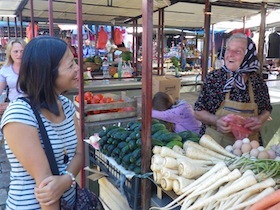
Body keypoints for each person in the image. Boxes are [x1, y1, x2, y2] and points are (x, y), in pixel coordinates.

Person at [1, 36, 83, 209]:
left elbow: (79, 154)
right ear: (47, 72)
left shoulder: (66, 105)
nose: (77, 69)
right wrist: (61, 184)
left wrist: (66, 179)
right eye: (70, 65)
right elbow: (47, 192)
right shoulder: (20, 115)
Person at [194, 33, 272, 147]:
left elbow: (266, 109)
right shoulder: (215, 78)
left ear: (248, 55)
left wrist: (260, 119)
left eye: (238, 51)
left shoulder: (257, 81)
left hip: (248, 148)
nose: (230, 55)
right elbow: (198, 111)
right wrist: (216, 120)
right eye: (228, 49)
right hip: (215, 146)